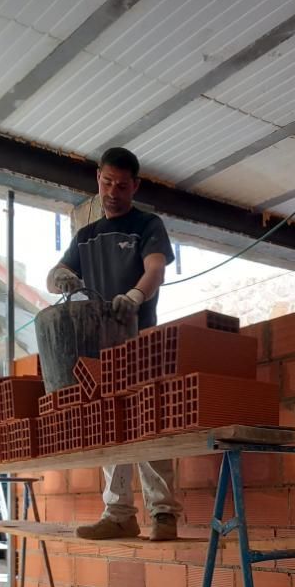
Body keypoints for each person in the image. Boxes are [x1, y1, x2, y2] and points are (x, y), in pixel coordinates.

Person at [47, 147, 181, 541]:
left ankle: (163, 513)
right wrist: (61, 278)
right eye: (107, 182)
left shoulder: (147, 224)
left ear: (134, 186)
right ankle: (119, 513)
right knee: (112, 426)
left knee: (148, 424)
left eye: (122, 185)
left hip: (141, 341)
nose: (113, 191)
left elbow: (155, 268)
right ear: (98, 180)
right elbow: (56, 275)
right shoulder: (85, 236)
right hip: (100, 348)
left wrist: (135, 297)